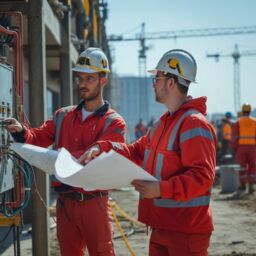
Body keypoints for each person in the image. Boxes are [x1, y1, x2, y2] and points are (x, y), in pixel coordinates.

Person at [79, 49, 217, 256]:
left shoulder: (193, 124)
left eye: (157, 78)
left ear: (171, 82)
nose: (154, 83)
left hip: (186, 230)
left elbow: (202, 178)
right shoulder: (163, 124)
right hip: (161, 225)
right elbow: (136, 150)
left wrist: (160, 189)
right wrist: (104, 146)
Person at [5, 47, 126, 256]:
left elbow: (107, 150)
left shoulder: (113, 122)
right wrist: (21, 131)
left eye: (89, 79)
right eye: (80, 78)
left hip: (94, 203)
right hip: (66, 205)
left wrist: (73, 154)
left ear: (103, 80)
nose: (82, 84)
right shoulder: (63, 115)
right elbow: (39, 138)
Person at [231, 103, 256, 194]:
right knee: (252, 166)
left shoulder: (238, 122)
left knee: (242, 167)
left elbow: (235, 136)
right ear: (250, 111)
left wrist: (233, 147)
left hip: (241, 148)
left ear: (242, 111)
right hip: (252, 147)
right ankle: (252, 185)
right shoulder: (254, 121)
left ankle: (243, 185)